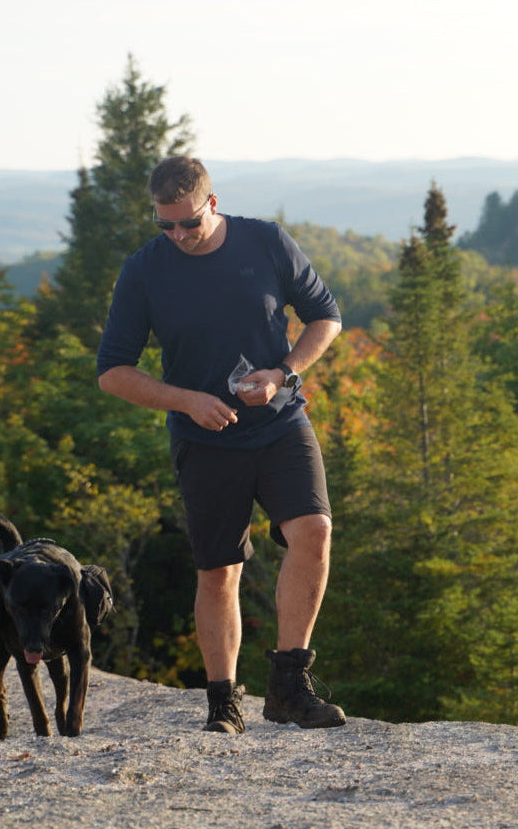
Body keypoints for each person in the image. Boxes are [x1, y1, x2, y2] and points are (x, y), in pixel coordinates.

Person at [97, 156, 346, 734]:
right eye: (166, 225)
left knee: (315, 531)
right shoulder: (145, 270)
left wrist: (282, 373)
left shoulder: (266, 242)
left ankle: (289, 684)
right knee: (220, 570)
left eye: (188, 222)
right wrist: (186, 400)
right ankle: (222, 701)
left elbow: (325, 317)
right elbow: (113, 371)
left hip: (281, 422)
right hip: (203, 439)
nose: (178, 235)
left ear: (212, 203)